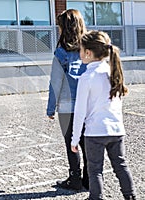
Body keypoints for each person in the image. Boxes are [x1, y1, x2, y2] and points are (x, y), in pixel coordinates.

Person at [71, 30, 136, 200]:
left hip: (95, 133)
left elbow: (79, 112)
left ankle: (96, 197)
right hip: (117, 130)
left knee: (95, 170)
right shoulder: (114, 72)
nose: (79, 53)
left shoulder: (86, 77)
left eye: (80, 49)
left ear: (88, 53)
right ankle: (131, 197)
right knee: (121, 166)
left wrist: (75, 139)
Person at [46, 9, 89, 190]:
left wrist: (50, 109)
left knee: (72, 144)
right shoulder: (89, 51)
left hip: (67, 107)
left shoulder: (61, 52)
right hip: (88, 105)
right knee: (87, 143)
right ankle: (89, 178)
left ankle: (75, 178)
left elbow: (55, 83)